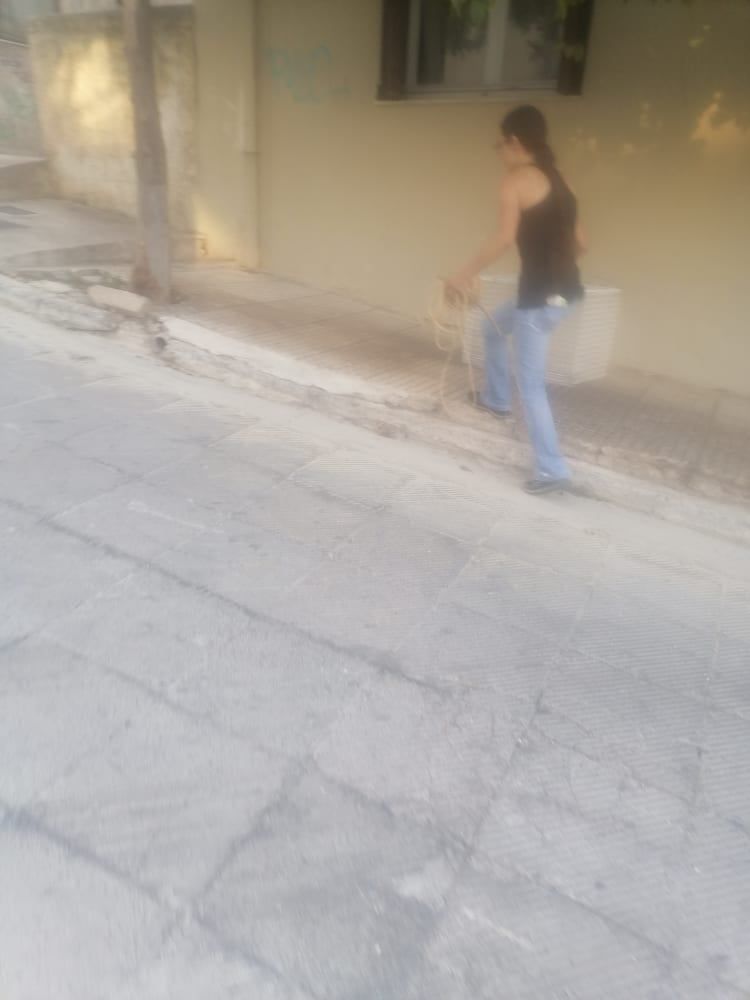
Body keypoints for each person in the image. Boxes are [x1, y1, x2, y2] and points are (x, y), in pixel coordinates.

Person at [447, 104, 587, 495]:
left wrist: (463, 274)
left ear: (514, 142)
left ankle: (552, 469)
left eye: (500, 145)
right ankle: (496, 399)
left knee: (531, 384)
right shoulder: (563, 181)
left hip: (538, 299)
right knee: (491, 327)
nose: (499, 153)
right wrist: (556, 269)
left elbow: (504, 238)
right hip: (567, 294)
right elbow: (582, 244)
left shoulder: (515, 181)